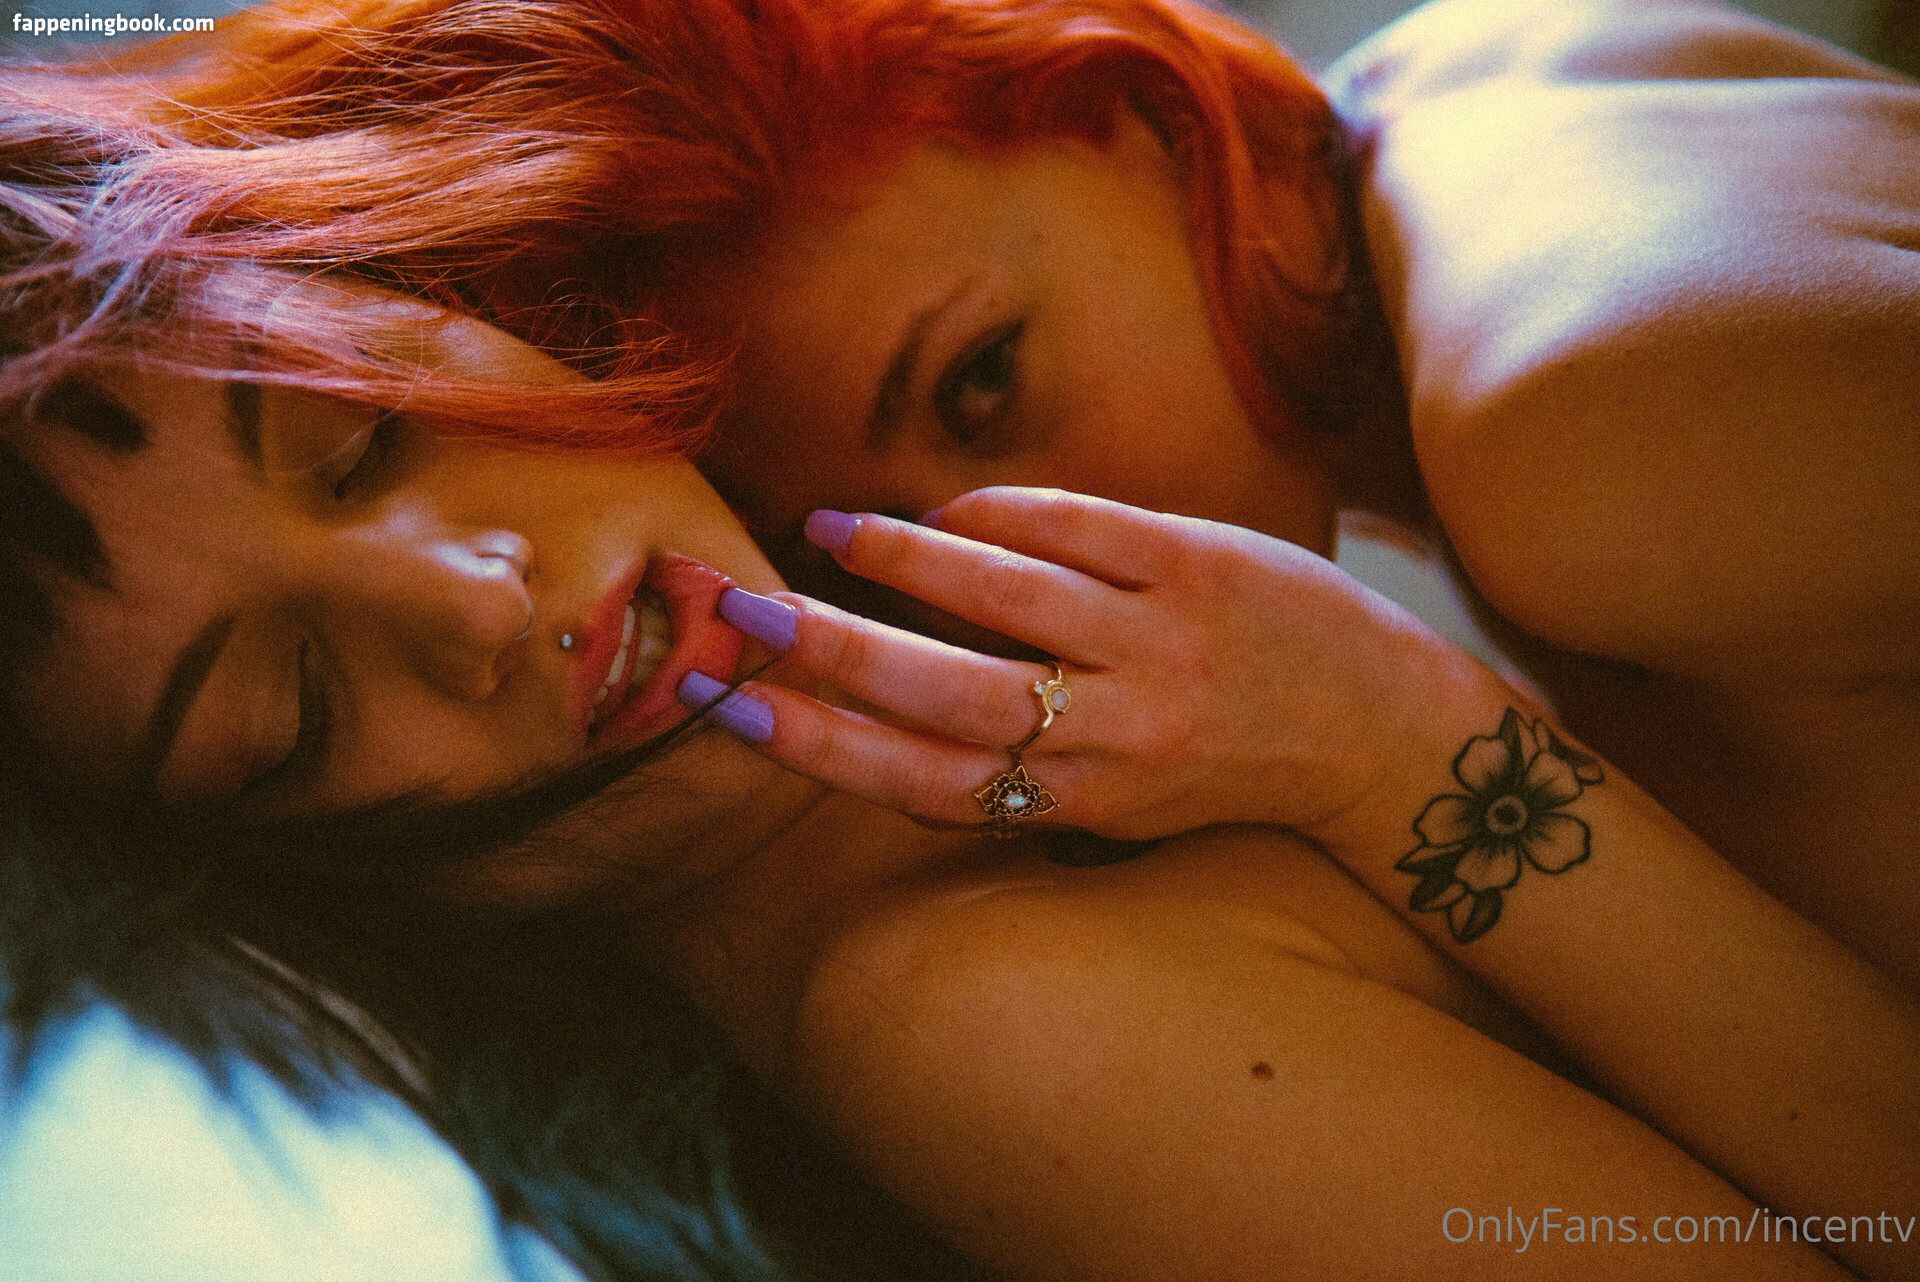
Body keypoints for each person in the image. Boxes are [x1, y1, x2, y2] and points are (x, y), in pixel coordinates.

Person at [2, 3, 1915, 1281]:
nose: (475, 601)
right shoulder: (980, 1020)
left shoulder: (1007, 663)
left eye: (365, 435)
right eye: (293, 707)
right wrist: (1393, 742)